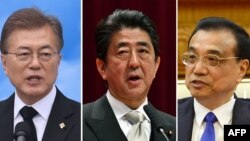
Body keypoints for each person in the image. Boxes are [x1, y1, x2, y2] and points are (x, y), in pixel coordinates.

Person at [83, 9, 176, 141]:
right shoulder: (78, 124)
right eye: (123, 52)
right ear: (102, 67)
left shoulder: (174, 129)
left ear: (156, 65)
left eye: (143, 51)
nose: (134, 62)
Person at [0, 8, 80, 141]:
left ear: (58, 61)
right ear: (4, 63)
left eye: (45, 54)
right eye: (24, 54)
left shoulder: (82, 120)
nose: (35, 64)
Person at [178, 17, 250, 141]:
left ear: (242, 69)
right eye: (192, 57)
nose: (198, 69)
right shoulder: (166, 118)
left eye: (212, 59)